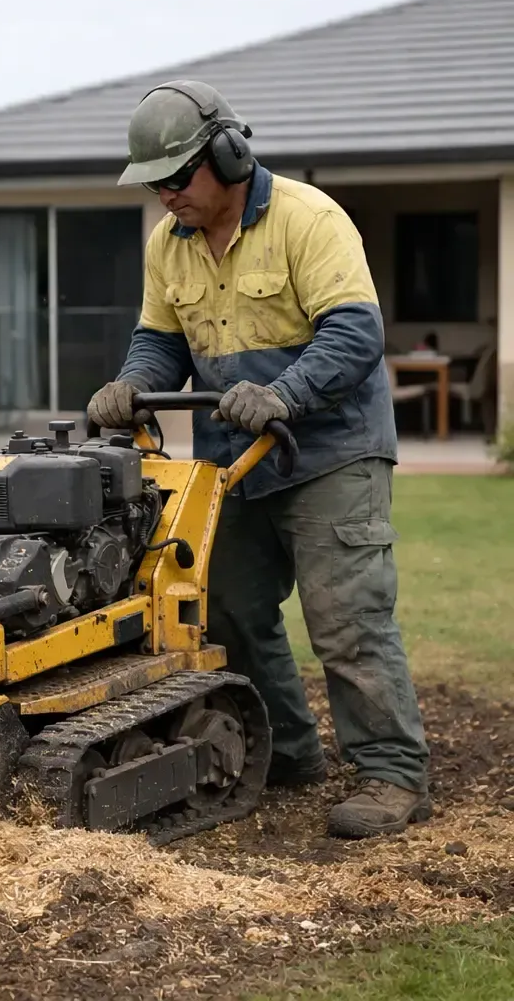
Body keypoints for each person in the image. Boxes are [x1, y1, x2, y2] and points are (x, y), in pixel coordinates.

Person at [87, 79, 431, 839]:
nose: (165, 195)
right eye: (154, 183)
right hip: (231, 457)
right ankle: (289, 753)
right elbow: (161, 342)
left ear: (228, 154)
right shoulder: (166, 246)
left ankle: (392, 774)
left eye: (176, 177)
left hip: (331, 452)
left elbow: (352, 334)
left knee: (346, 619)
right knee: (229, 612)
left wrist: (284, 393)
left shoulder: (310, 220)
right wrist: (132, 384)